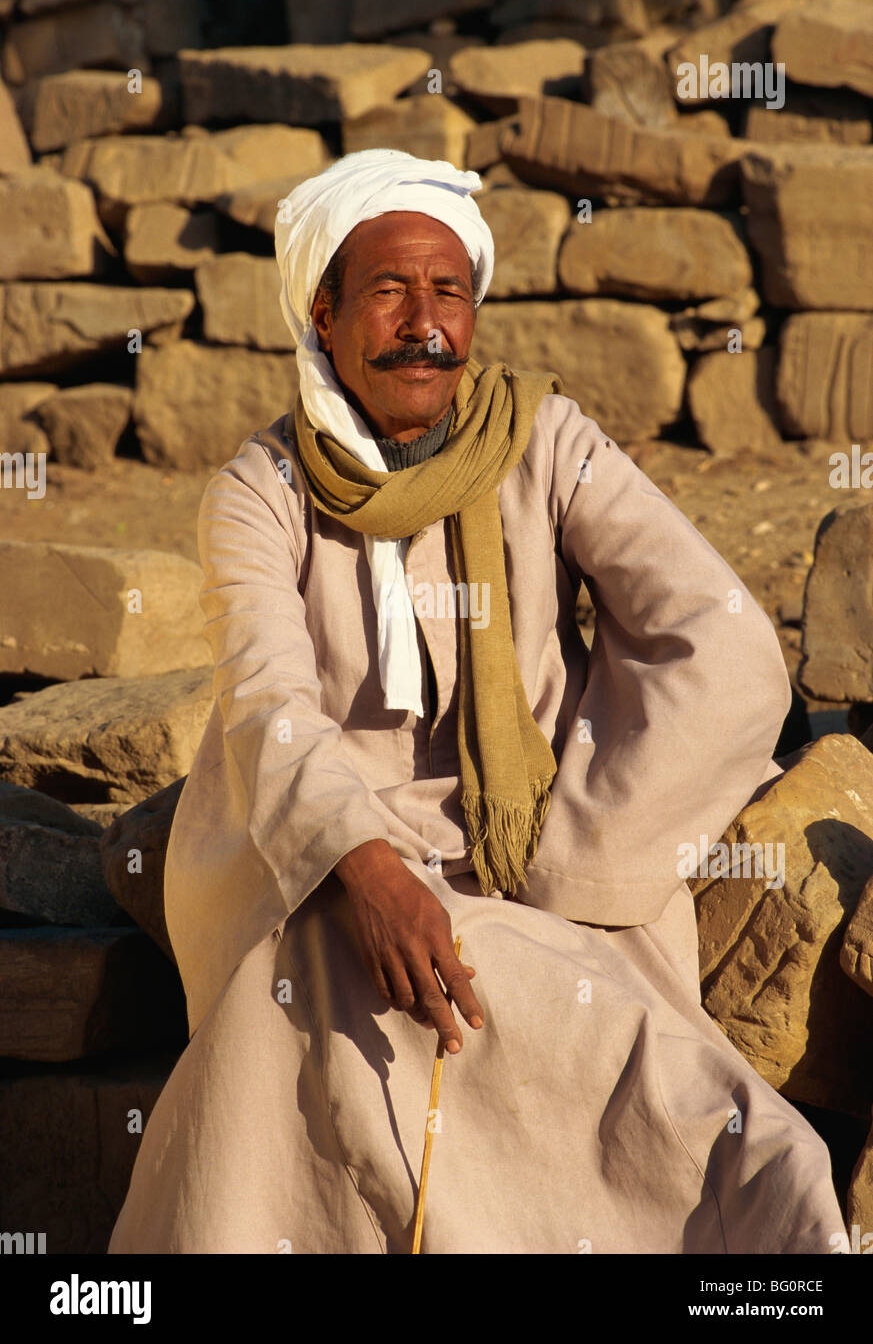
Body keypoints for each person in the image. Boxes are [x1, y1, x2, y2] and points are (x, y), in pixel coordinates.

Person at [108, 149, 847, 1254]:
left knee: (717, 1135)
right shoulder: (260, 492)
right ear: (325, 313)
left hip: (543, 869)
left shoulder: (546, 442)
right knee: (299, 1030)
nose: (425, 323)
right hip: (329, 875)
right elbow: (270, 702)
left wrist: (575, 852)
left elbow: (726, 643)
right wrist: (364, 866)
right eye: (391, 291)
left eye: (448, 290)